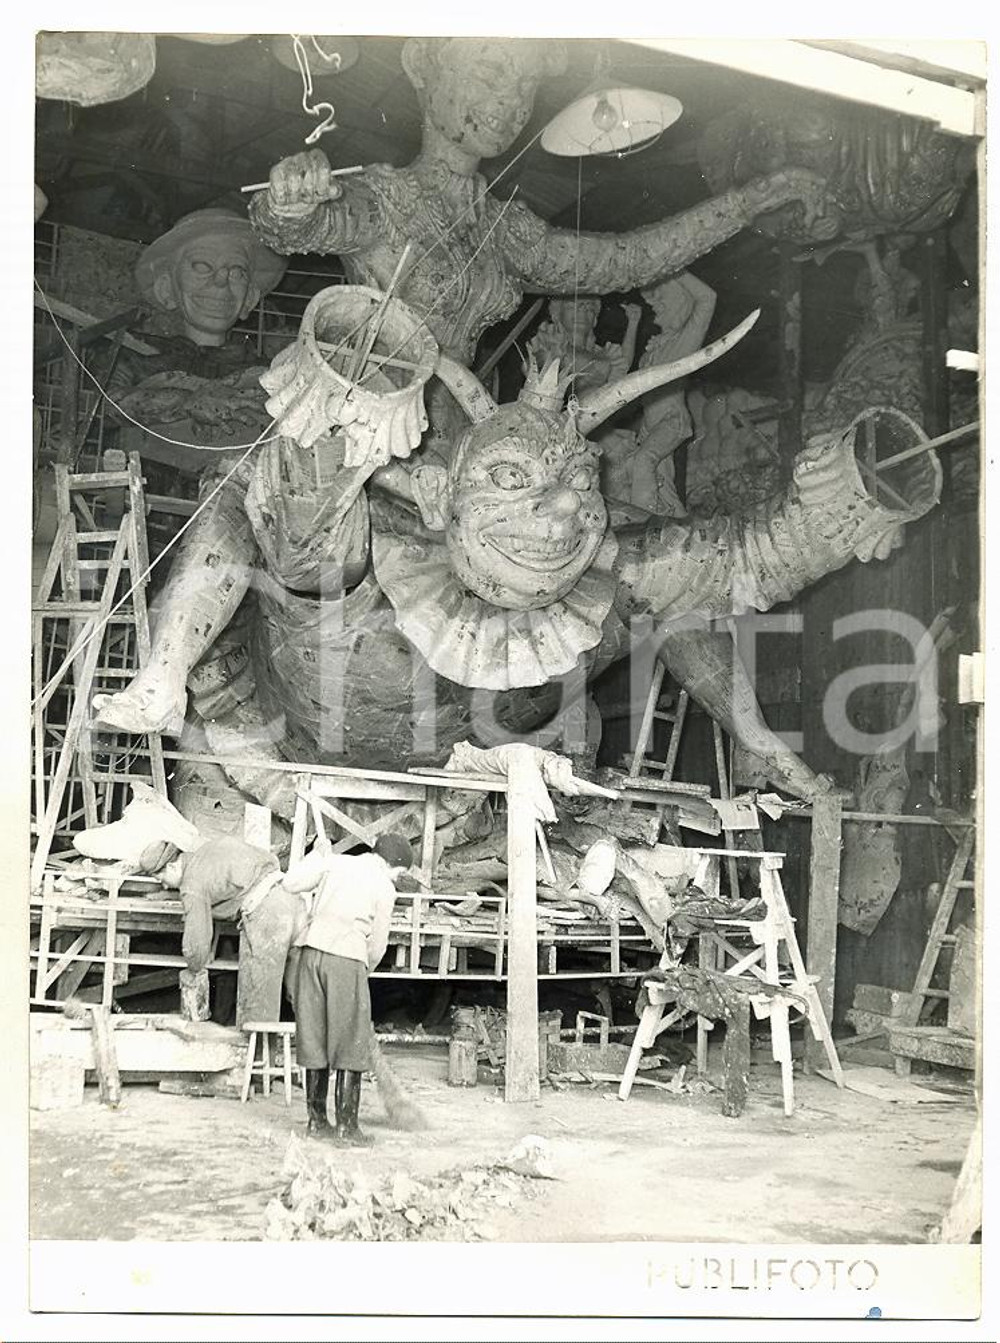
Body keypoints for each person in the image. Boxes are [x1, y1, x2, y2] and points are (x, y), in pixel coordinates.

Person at [111, 208, 287, 475]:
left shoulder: (275, 374)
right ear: (167, 288)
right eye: (202, 266)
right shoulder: (132, 359)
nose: (220, 282)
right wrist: (187, 401)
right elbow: (106, 406)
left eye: (237, 271)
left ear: (249, 298)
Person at [282, 833, 415, 1145]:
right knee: (351, 1040)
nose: (398, 878)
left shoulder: (335, 863)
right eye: (401, 872)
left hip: (311, 954)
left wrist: (317, 856)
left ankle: (316, 1123)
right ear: (392, 865)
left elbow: (289, 884)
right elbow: (378, 944)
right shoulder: (384, 886)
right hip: (347, 958)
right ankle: (347, 1128)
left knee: (313, 1035)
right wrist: (363, 968)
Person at [140, 833, 299, 1027]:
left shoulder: (192, 885)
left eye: (162, 878)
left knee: (258, 996)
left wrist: (193, 969)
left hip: (267, 915)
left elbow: (197, 939)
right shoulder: (207, 851)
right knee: (299, 987)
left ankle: (255, 1053)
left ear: (172, 866)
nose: (164, 884)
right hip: (291, 897)